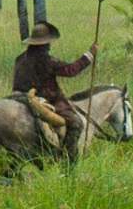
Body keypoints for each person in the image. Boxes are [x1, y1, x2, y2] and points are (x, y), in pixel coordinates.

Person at [12, 21, 98, 161]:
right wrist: (89, 55)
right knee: (76, 124)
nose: (50, 45)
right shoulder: (47, 60)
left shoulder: (20, 58)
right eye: (48, 42)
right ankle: (68, 159)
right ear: (44, 44)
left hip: (17, 97)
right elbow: (71, 70)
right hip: (42, 99)